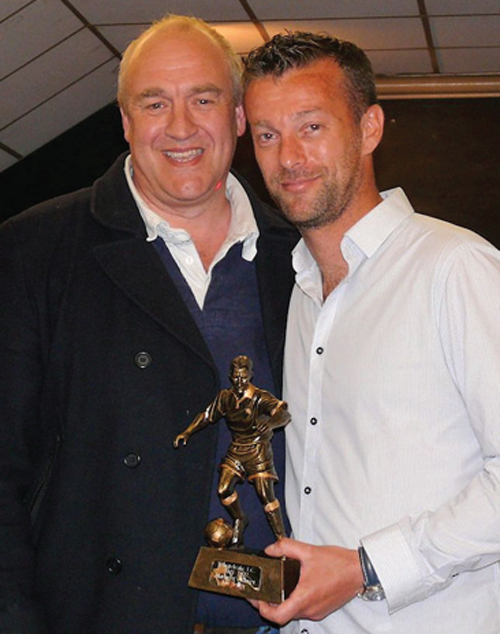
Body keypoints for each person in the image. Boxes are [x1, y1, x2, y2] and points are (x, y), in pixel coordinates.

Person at [0, 15, 298, 634]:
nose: (181, 126)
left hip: (285, 621)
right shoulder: (34, 252)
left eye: (204, 99)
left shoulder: (295, 255)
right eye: (155, 103)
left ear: (238, 117)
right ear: (127, 122)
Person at [242, 31, 500, 634]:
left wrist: (367, 567)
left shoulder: (455, 267)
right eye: (267, 135)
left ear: (370, 128)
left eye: (312, 127)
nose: (288, 158)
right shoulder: (299, 294)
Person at [174, 355, 291, 546]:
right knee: (223, 489)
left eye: (243, 377)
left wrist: (270, 423)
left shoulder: (259, 397)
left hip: (257, 450)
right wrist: (187, 432)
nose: (239, 381)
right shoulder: (225, 397)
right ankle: (240, 519)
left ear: (251, 375)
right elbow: (206, 416)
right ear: (230, 376)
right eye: (236, 377)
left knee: (265, 494)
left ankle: (283, 541)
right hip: (237, 449)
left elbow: (284, 414)